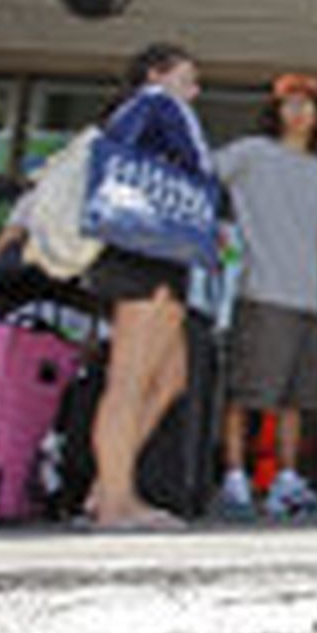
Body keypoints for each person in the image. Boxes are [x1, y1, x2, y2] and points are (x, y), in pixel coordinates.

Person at [83, 43, 215, 530]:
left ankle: (106, 485)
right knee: (130, 381)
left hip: (159, 253)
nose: (195, 89)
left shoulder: (144, 110)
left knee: (169, 378)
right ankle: (117, 503)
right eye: (189, 76)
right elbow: (193, 167)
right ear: (157, 73)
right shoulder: (154, 103)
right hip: (144, 254)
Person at [213, 73, 317, 521]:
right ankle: (234, 481)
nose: (300, 111)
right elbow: (203, 176)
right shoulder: (251, 153)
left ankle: (285, 484)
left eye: (309, 105)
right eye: (290, 103)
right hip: (263, 293)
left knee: (297, 401)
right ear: (275, 111)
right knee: (247, 394)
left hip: (308, 301)